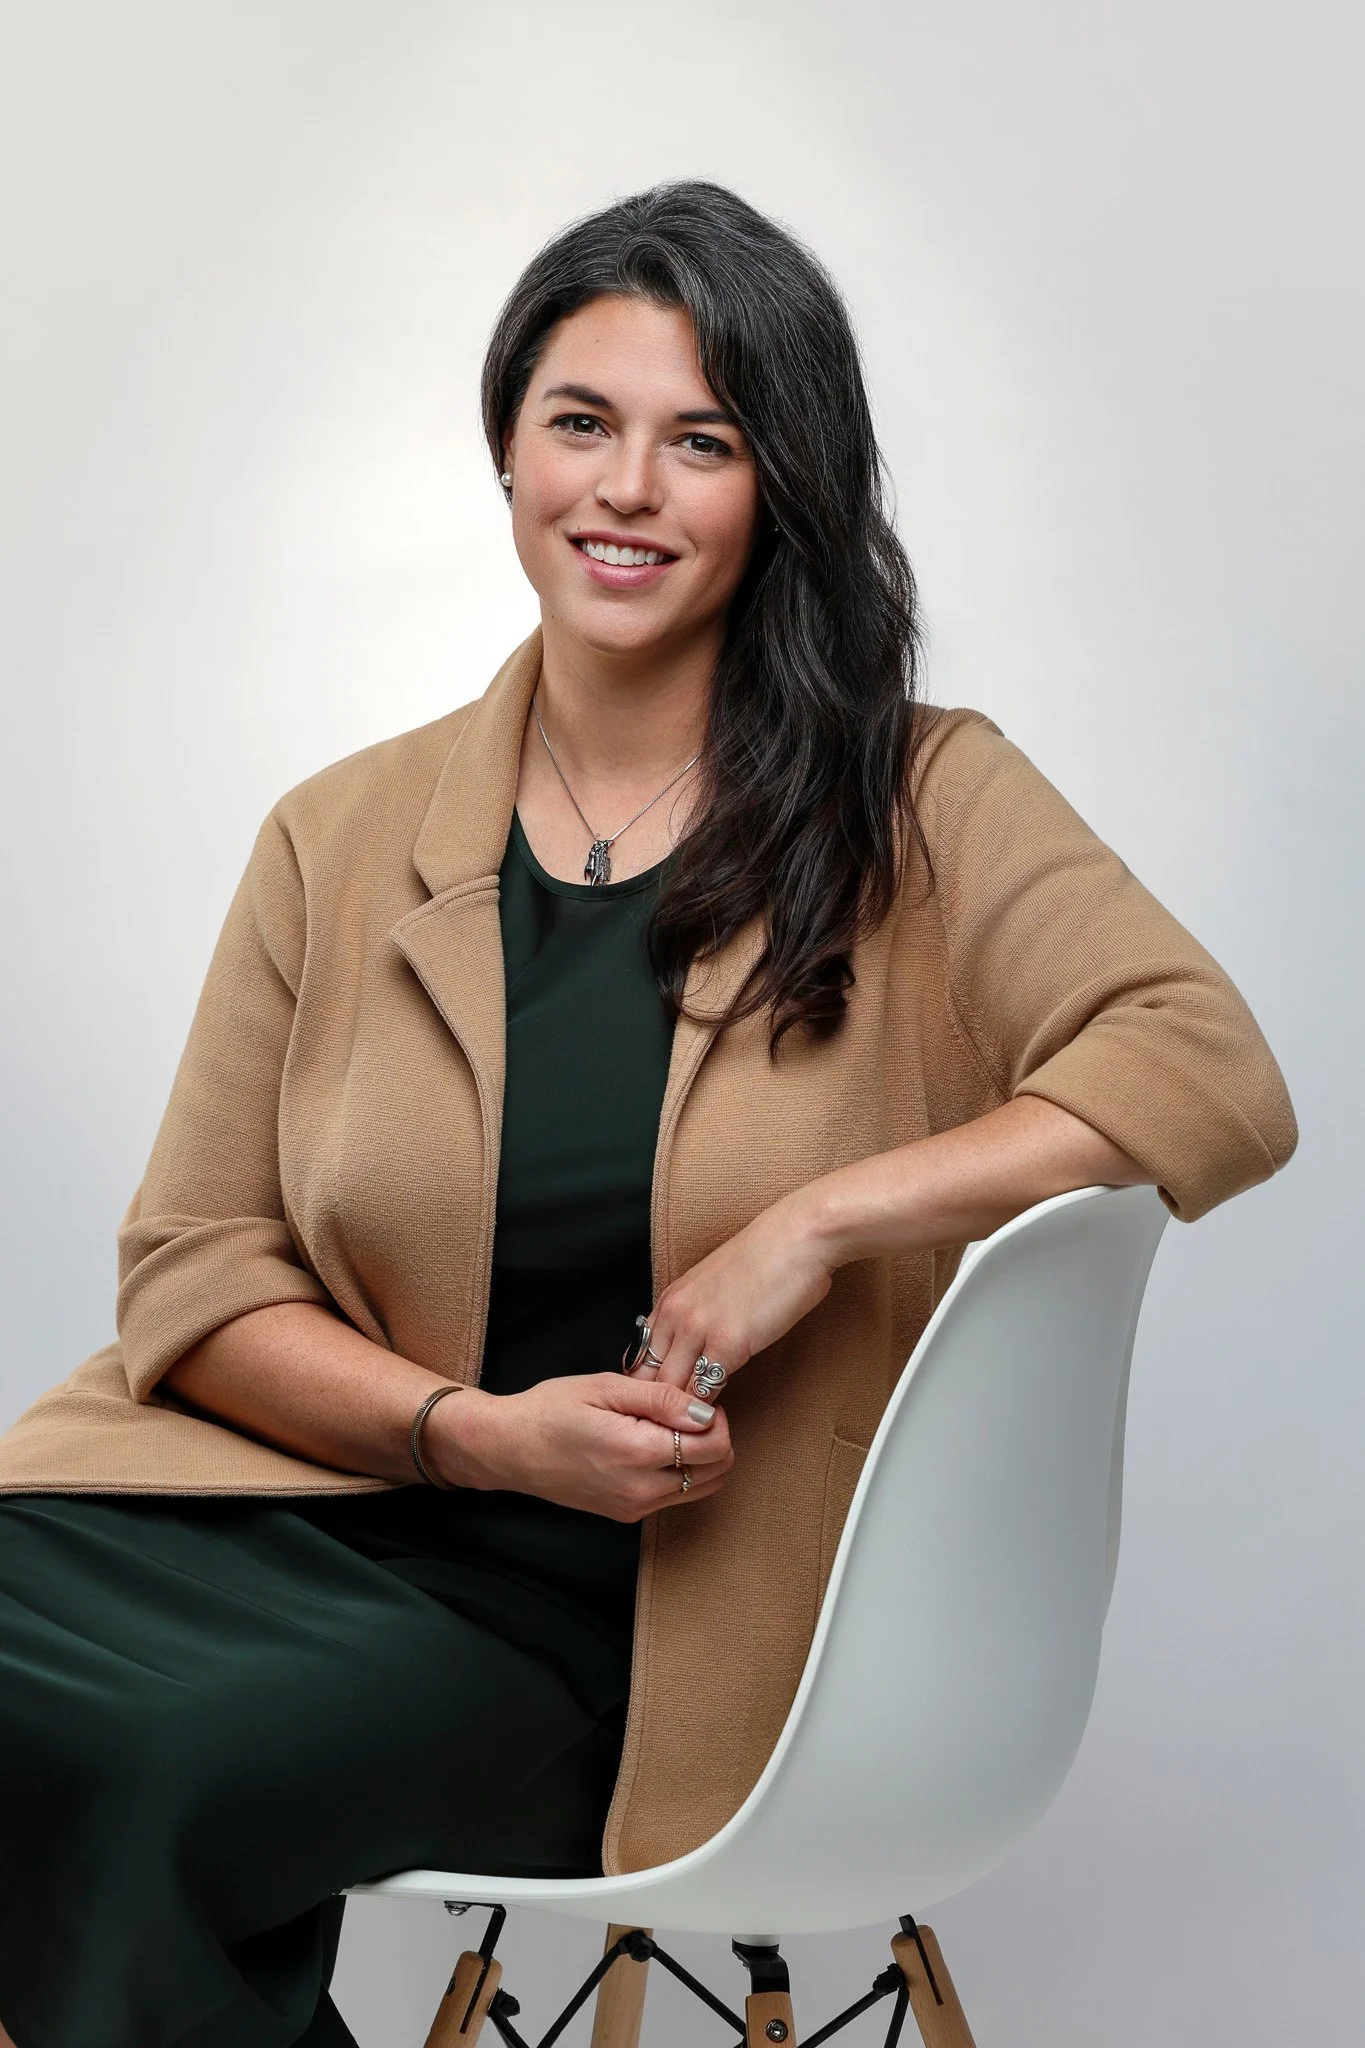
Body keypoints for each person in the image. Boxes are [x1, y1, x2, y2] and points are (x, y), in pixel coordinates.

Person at [0, 179, 1296, 2048]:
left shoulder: (923, 802)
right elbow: (197, 1273)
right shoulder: (338, 835)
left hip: (660, 1635)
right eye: (580, 423)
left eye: (702, 441)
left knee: (140, 1777)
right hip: (312, 1522)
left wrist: (822, 1221)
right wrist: (468, 1436)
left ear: (782, 486)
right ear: (507, 449)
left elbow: (1206, 1062)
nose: (626, 489)